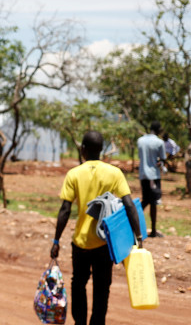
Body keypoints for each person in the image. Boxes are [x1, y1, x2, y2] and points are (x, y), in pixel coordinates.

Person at [51, 131, 143, 325]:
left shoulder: (74, 174)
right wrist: (139, 237)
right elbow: (129, 205)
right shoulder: (114, 173)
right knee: (102, 288)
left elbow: (65, 210)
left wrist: (56, 240)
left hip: (81, 243)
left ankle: (80, 323)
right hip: (105, 243)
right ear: (101, 150)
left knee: (79, 284)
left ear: (83, 149)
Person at [137, 121, 166, 237]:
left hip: (143, 175)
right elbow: (162, 159)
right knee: (152, 202)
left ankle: (134, 224)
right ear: (158, 130)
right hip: (153, 175)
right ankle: (153, 230)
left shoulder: (140, 140)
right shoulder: (159, 142)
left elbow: (140, 156)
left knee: (146, 199)